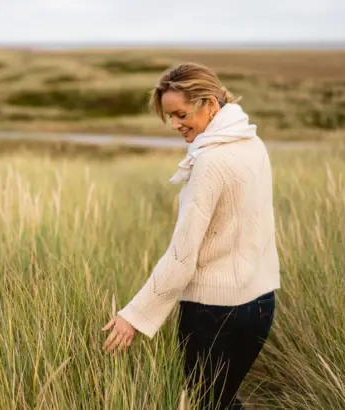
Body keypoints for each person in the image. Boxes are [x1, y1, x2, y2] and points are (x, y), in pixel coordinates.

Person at [101, 62, 280, 409]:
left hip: (213, 314)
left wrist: (134, 316)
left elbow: (182, 259)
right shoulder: (252, 142)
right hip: (260, 307)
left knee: (207, 404)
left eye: (181, 114)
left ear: (210, 104)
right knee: (223, 402)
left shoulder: (210, 163)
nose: (176, 125)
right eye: (170, 117)